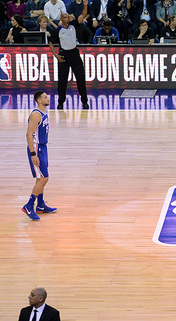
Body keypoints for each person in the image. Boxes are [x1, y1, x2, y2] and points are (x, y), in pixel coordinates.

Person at [22, 91, 58, 221]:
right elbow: (28, 134)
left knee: (40, 177)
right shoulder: (36, 114)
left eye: (47, 96)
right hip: (36, 148)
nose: (47, 98)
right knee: (44, 178)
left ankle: (41, 205)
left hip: (42, 147)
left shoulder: (44, 112)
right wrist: (33, 154)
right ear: (38, 100)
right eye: (44, 97)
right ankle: (29, 205)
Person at [49, 2, 89, 110]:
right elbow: (51, 43)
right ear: (61, 19)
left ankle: (84, 101)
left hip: (74, 54)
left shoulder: (74, 25)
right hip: (63, 56)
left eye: (68, 17)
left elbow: (83, 15)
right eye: (65, 17)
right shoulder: (57, 30)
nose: (67, 19)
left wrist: (85, 5)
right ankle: (61, 102)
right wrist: (56, 55)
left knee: (81, 79)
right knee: (62, 81)